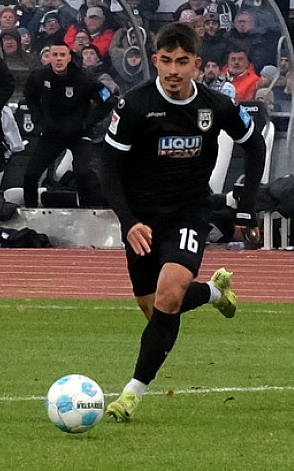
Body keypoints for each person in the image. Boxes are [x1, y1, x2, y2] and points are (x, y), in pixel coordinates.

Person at [100, 22, 265, 422]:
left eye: (182, 61)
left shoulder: (216, 106)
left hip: (189, 212)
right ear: (155, 60)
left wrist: (246, 207)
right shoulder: (135, 105)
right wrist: (128, 222)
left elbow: (254, 144)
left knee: (169, 296)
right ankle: (212, 293)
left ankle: (131, 394)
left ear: (197, 63)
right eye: (167, 61)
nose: (173, 70)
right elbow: (107, 166)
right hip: (142, 219)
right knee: (155, 308)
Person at [23, 42, 112, 207]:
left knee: (82, 173)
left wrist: (89, 122)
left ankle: (88, 208)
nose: (58, 59)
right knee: (30, 175)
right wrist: (38, 119)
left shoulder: (84, 78)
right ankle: (30, 211)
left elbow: (109, 99)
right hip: (52, 133)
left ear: (69, 57)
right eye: (55, 55)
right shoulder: (39, 76)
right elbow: (29, 95)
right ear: (49, 57)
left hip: (79, 133)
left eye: (62, 55)